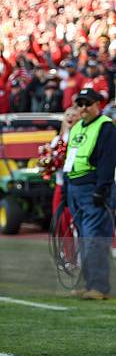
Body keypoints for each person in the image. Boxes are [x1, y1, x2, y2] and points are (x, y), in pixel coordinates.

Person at [63, 88, 115, 300]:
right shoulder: (76, 128)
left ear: (98, 105)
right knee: (84, 239)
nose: (84, 107)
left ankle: (99, 287)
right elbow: (69, 161)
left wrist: (101, 189)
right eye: (80, 103)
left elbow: (107, 160)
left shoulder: (106, 128)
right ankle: (89, 283)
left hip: (93, 187)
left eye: (88, 103)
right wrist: (67, 189)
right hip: (75, 187)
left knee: (94, 238)